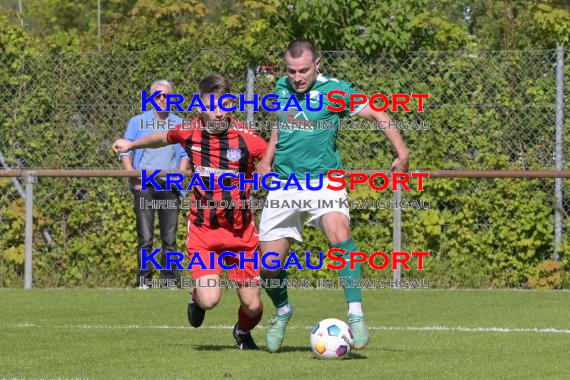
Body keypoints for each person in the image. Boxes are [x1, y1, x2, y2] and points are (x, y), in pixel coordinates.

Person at [256, 39, 410, 352]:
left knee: (340, 234)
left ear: (318, 64)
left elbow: (378, 113)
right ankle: (283, 310)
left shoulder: (335, 91)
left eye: (303, 70)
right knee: (268, 266)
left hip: (325, 181)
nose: (297, 77)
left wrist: (402, 151)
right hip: (285, 185)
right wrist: (266, 158)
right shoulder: (282, 88)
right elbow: (280, 126)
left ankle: (356, 315)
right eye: (292, 71)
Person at [113, 74, 267, 350]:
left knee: (253, 306)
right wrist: (131, 144)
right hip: (204, 233)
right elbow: (162, 137)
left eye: (224, 105)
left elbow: (270, 160)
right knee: (210, 300)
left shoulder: (247, 139)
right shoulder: (191, 131)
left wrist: (271, 173)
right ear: (201, 107)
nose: (218, 112)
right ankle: (197, 298)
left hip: (241, 236)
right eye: (211, 106)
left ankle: (242, 332)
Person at [120, 79, 189, 288]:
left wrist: (179, 176)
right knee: (146, 236)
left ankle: (169, 280)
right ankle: (144, 280)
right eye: (158, 95)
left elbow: (184, 154)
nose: (162, 99)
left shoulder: (179, 123)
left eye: (166, 96)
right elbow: (125, 151)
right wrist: (133, 177)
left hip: (169, 187)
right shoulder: (137, 122)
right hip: (145, 188)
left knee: (169, 237)